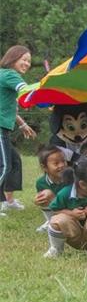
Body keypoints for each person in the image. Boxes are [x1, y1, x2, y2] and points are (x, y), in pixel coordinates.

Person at [0, 45, 37, 215]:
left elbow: (11, 107)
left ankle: (8, 201)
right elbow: (25, 90)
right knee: (4, 166)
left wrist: (22, 124)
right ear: (12, 59)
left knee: (14, 162)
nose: (27, 64)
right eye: (24, 59)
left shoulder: (5, 77)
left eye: (29, 61)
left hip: (4, 127)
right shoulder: (10, 75)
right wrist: (46, 87)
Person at [34, 145, 67, 232]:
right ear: (44, 167)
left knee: (48, 194)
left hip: (71, 210)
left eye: (63, 161)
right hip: (57, 209)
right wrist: (37, 200)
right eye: (56, 163)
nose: (62, 165)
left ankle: (59, 222)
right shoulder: (41, 183)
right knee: (44, 195)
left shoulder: (71, 179)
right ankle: (50, 221)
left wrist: (54, 198)